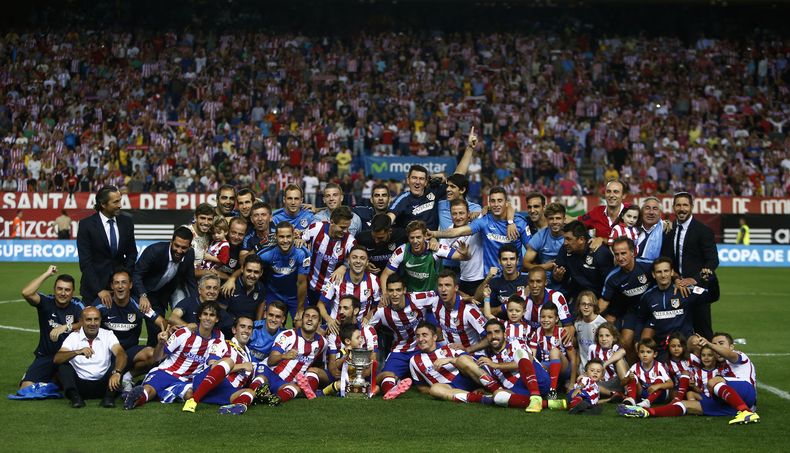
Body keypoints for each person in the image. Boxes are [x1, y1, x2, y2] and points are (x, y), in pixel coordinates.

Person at [619, 332, 760, 425]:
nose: (716, 347)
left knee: (714, 381)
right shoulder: (718, 363)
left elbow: (729, 355)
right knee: (685, 405)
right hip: (730, 404)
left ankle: (746, 412)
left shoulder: (739, 356)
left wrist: (710, 344)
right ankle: (645, 412)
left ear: (731, 346)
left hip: (747, 391)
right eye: (715, 344)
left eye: (721, 343)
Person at [124, 301, 225, 410]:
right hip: (166, 372)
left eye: (212, 315)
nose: (208, 318)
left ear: (217, 319)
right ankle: (134, 399)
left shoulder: (219, 338)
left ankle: (162, 391)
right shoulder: (184, 333)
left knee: (190, 395)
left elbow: (213, 361)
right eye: (205, 314)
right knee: (149, 390)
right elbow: (157, 358)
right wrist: (161, 344)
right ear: (200, 316)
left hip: (187, 380)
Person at [388, 128, 476, 230]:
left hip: (433, 238)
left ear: (426, 182)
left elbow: (458, 176)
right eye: (414, 178)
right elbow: (390, 216)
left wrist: (470, 148)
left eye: (421, 179)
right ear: (408, 180)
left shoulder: (434, 191)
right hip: (411, 238)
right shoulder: (403, 198)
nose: (417, 182)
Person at [94, 269, 167, 391]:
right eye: (117, 283)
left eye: (124, 282)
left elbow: (162, 322)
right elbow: (84, 320)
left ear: (130, 285)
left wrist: (165, 332)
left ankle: (127, 376)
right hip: (106, 353)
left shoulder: (139, 305)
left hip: (129, 353)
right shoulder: (102, 303)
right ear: (112, 286)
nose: (120, 286)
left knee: (154, 355)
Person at [182, 316, 273, 415]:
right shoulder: (222, 343)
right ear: (234, 330)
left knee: (251, 391)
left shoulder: (249, 356)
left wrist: (262, 389)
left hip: (226, 391)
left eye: (249, 328)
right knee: (228, 361)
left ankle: (237, 406)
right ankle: (193, 400)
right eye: (242, 326)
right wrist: (241, 366)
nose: (246, 330)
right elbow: (213, 366)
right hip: (206, 382)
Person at [661, 192, 719, 339]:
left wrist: (694, 280)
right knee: (677, 334)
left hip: (697, 290)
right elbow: (666, 259)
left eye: (685, 205)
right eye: (678, 205)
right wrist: (675, 279)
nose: (682, 209)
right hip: (675, 288)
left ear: (692, 207)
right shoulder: (669, 230)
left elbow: (712, 261)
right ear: (673, 207)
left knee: (703, 333)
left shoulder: (703, 230)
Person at [18, 266, 84, 391]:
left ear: (73, 292)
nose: (63, 293)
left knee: (82, 388)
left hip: (69, 357)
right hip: (46, 356)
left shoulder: (77, 305)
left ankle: (55, 380)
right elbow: (26, 293)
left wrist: (66, 327)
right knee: (25, 388)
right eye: (59, 289)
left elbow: (86, 322)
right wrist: (47, 274)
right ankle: (53, 383)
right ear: (54, 289)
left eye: (67, 290)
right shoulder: (46, 302)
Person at [366, 276, 432, 400]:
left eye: (398, 290)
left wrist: (466, 298)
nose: (395, 294)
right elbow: (366, 327)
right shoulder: (382, 311)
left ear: (405, 290)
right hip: (400, 351)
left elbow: (440, 296)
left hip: (422, 348)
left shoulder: (418, 299)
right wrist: (372, 348)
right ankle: (391, 391)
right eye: (391, 290)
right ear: (387, 292)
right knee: (386, 376)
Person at [477, 319, 565, 412]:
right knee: (497, 396)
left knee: (521, 352)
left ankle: (535, 395)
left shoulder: (516, 343)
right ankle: (547, 403)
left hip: (538, 379)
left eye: (497, 332)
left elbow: (526, 360)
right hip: (519, 389)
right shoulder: (487, 358)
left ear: (505, 334)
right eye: (489, 333)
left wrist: (496, 365)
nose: (493, 336)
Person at [432, 186, 527, 272]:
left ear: (506, 203)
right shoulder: (483, 221)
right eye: (493, 201)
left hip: (515, 277)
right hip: (491, 278)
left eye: (500, 200)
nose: (496, 204)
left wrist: (510, 222)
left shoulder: (519, 223)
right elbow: (458, 231)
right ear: (489, 203)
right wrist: (433, 234)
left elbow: (530, 250)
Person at [133, 226, 198, 346]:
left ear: (189, 247)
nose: (179, 250)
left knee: (158, 332)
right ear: (171, 242)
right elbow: (136, 274)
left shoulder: (189, 255)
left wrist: (198, 304)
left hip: (159, 298)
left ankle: (153, 356)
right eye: (177, 246)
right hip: (139, 294)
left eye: (184, 248)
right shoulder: (155, 250)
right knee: (133, 327)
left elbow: (191, 280)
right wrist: (142, 295)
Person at [409, 321, 502, 404]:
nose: (420, 339)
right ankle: (484, 399)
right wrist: (439, 392)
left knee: (462, 359)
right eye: (418, 336)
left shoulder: (449, 347)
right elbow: (421, 387)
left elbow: (468, 360)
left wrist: (449, 360)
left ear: (434, 337)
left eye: (424, 335)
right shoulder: (414, 360)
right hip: (451, 388)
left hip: (468, 378)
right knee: (434, 389)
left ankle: (498, 390)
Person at [54, 306, 127, 408]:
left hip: (104, 385)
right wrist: (77, 352)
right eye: (88, 319)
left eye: (96, 319)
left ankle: (109, 398)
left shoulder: (108, 335)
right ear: (81, 321)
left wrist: (117, 372)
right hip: (80, 386)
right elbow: (57, 359)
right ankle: (75, 398)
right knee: (63, 365)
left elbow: (121, 353)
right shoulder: (73, 337)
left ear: (100, 320)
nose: (93, 323)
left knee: (120, 360)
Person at [77, 185, 137, 306]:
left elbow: (132, 253)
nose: (120, 205)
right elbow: (85, 262)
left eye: (120, 200)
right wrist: (99, 290)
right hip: (93, 291)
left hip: (120, 290)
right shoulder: (86, 225)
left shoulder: (127, 222)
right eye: (115, 202)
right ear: (103, 204)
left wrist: (123, 277)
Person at [639, 257, 720, 347]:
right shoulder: (648, 296)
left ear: (672, 272)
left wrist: (713, 280)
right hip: (661, 344)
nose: (663, 275)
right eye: (659, 272)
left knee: (696, 342)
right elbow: (641, 319)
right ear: (654, 274)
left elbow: (712, 297)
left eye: (666, 271)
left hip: (684, 343)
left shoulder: (685, 290)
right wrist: (637, 340)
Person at [598, 237, 655, 360]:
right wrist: (590, 317)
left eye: (623, 253)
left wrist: (678, 280)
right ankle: (632, 369)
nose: (620, 258)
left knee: (644, 342)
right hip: (633, 311)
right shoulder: (613, 277)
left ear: (633, 252)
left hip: (653, 310)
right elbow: (604, 302)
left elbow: (668, 271)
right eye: (617, 254)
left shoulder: (648, 265)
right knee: (625, 342)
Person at [381, 220, 468, 296]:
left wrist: (465, 254)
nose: (415, 241)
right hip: (412, 295)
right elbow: (385, 274)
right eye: (412, 238)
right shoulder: (401, 251)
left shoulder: (435, 249)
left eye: (418, 237)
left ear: (425, 236)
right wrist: (385, 294)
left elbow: (463, 257)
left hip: (433, 295)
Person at [261, 307, 328, 402]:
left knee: (310, 376)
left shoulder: (322, 343)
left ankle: (275, 399)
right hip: (273, 375)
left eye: (314, 317)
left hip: (292, 384)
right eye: (307, 316)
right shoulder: (287, 335)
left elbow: (320, 365)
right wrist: (284, 356)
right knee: (260, 379)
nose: (310, 319)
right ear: (302, 319)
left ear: (319, 323)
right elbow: (270, 361)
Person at [301, 206, 357, 305]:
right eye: (342, 227)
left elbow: (358, 258)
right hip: (310, 284)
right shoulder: (316, 228)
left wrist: (344, 266)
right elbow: (301, 240)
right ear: (332, 222)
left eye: (347, 227)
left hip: (331, 290)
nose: (345, 231)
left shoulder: (350, 241)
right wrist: (300, 240)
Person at [319, 246, 381, 333]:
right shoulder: (336, 278)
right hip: (336, 328)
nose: (358, 261)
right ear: (348, 261)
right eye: (354, 257)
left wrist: (368, 317)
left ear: (367, 262)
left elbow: (378, 305)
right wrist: (329, 320)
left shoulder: (374, 281)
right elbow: (320, 304)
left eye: (362, 258)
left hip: (360, 329)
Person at [257, 221, 310, 322]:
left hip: (295, 296)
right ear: (275, 237)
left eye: (288, 236)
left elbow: (302, 283)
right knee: (270, 324)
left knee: (300, 323)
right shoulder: (267, 253)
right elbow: (248, 264)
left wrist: (300, 309)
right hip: (274, 294)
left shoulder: (302, 254)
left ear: (294, 236)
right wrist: (233, 278)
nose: (285, 240)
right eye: (281, 237)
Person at [552, 220, 615, 301]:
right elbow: (559, 277)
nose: (565, 243)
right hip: (576, 295)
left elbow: (609, 286)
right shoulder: (566, 249)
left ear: (581, 239)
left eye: (568, 239)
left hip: (598, 298)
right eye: (564, 238)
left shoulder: (600, 253)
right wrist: (557, 278)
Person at [528, 304, 579, 399]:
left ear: (556, 319)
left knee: (554, 351)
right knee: (533, 362)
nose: (546, 320)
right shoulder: (537, 333)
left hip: (564, 368)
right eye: (543, 317)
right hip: (546, 366)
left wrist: (572, 383)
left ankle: (552, 390)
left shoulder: (562, 332)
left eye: (550, 317)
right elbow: (533, 357)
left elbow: (573, 359)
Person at [441, 199, 485, 295]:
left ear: (468, 213)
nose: (458, 217)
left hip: (483, 279)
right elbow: (438, 251)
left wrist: (483, 210)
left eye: (461, 213)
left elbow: (492, 208)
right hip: (464, 280)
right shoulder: (448, 233)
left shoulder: (477, 224)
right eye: (454, 214)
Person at [216, 254, 266, 337]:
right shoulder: (229, 287)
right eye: (249, 271)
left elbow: (259, 313)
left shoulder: (261, 288)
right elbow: (220, 313)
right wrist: (237, 327)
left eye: (256, 272)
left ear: (261, 273)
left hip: (249, 335)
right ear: (242, 269)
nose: (252, 275)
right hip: (228, 333)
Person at [621, 338, 672, 408]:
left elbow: (671, 384)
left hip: (659, 395)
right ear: (638, 354)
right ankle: (631, 399)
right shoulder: (635, 366)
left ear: (655, 354)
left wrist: (658, 386)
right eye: (642, 352)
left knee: (660, 378)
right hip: (644, 394)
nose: (645, 355)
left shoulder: (659, 366)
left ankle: (647, 402)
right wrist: (628, 378)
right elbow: (622, 383)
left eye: (648, 352)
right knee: (633, 377)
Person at [523, 202, 565, 280]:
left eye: (558, 218)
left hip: (567, 278)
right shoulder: (539, 237)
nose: (555, 222)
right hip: (545, 281)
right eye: (551, 218)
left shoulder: (570, 236)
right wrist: (544, 267)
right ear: (547, 220)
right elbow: (525, 264)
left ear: (564, 219)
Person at [587, 322, 629, 400]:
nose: (604, 339)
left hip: (618, 381)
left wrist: (605, 364)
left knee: (619, 360)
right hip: (601, 383)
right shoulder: (593, 348)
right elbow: (589, 367)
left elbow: (622, 352)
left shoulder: (615, 348)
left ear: (614, 338)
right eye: (601, 336)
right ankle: (614, 395)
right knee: (587, 381)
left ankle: (628, 393)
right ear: (597, 337)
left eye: (607, 335)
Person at [573, 290, 606, 373]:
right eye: (583, 304)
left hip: (600, 369)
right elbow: (579, 350)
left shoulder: (601, 323)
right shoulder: (577, 323)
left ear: (594, 306)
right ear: (579, 306)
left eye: (590, 304)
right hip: (583, 369)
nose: (586, 307)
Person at [187, 203, 214, 273]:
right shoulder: (185, 233)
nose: (206, 222)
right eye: (202, 218)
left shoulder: (211, 235)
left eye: (210, 219)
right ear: (195, 217)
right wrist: (205, 273)